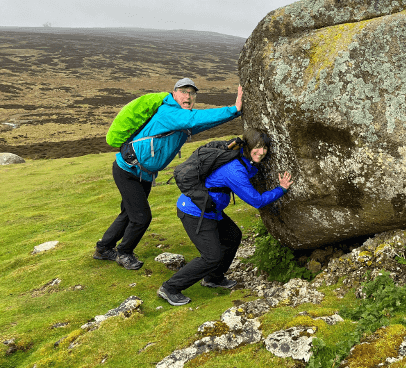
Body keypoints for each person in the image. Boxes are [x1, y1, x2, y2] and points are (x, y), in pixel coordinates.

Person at [93, 78, 243, 270]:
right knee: (141, 217)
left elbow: (203, 123)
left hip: (143, 174)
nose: (188, 96)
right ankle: (124, 253)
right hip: (128, 170)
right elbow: (193, 119)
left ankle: (103, 248)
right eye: (184, 92)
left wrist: (234, 114)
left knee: (129, 213)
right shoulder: (169, 113)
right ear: (174, 93)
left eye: (192, 93)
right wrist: (233, 109)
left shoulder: (181, 118)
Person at [157, 128, 292, 306]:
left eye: (265, 148)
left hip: (211, 211)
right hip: (194, 212)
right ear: (248, 147)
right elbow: (256, 201)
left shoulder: (242, 159)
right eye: (257, 148)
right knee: (210, 256)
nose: (262, 152)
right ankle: (170, 288)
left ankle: (213, 278)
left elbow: (248, 172)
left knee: (232, 236)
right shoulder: (235, 170)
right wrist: (280, 189)